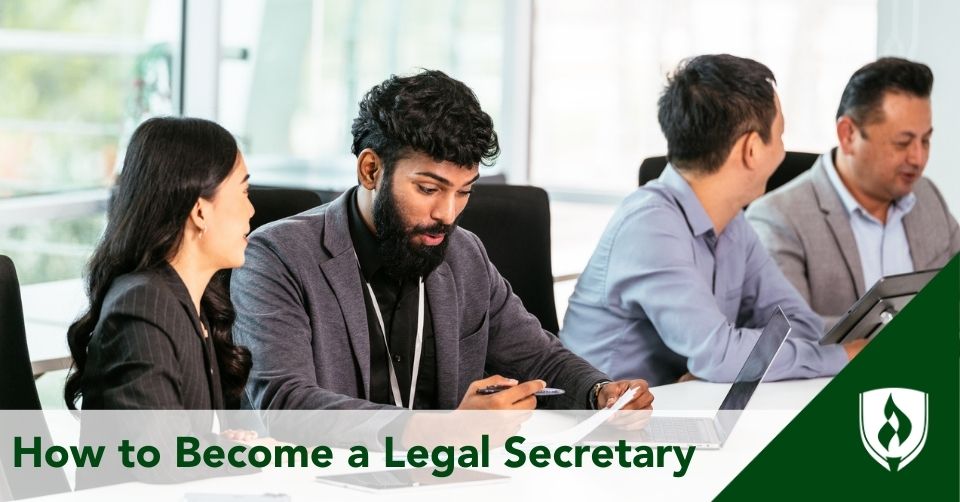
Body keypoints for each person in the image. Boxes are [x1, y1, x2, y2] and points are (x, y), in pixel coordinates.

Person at [231, 69, 653, 412]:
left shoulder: (464, 253)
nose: (447, 214)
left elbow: (539, 357)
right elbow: (285, 403)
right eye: (429, 189)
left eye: (464, 191)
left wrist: (601, 393)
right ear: (371, 170)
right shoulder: (276, 258)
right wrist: (439, 434)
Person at [559, 55, 865, 387]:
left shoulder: (732, 223)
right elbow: (719, 355)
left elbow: (797, 324)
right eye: (779, 136)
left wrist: (729, 362)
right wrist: (841, 356)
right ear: (751, 150)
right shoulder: (649, 227)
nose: (782, 149)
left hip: (681, 410)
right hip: (599, 424)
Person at [747, 57, 960, 328]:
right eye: (903, 142)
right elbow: (786, 333)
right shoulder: (778, 219)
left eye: (925, 140)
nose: (918, 158)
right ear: (848, 135)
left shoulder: (928, 197)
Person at [64, 116, 255, 413]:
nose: (251, 209)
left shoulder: (192, 303)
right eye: (244, 192)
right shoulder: (144, 308)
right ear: (200, 211)